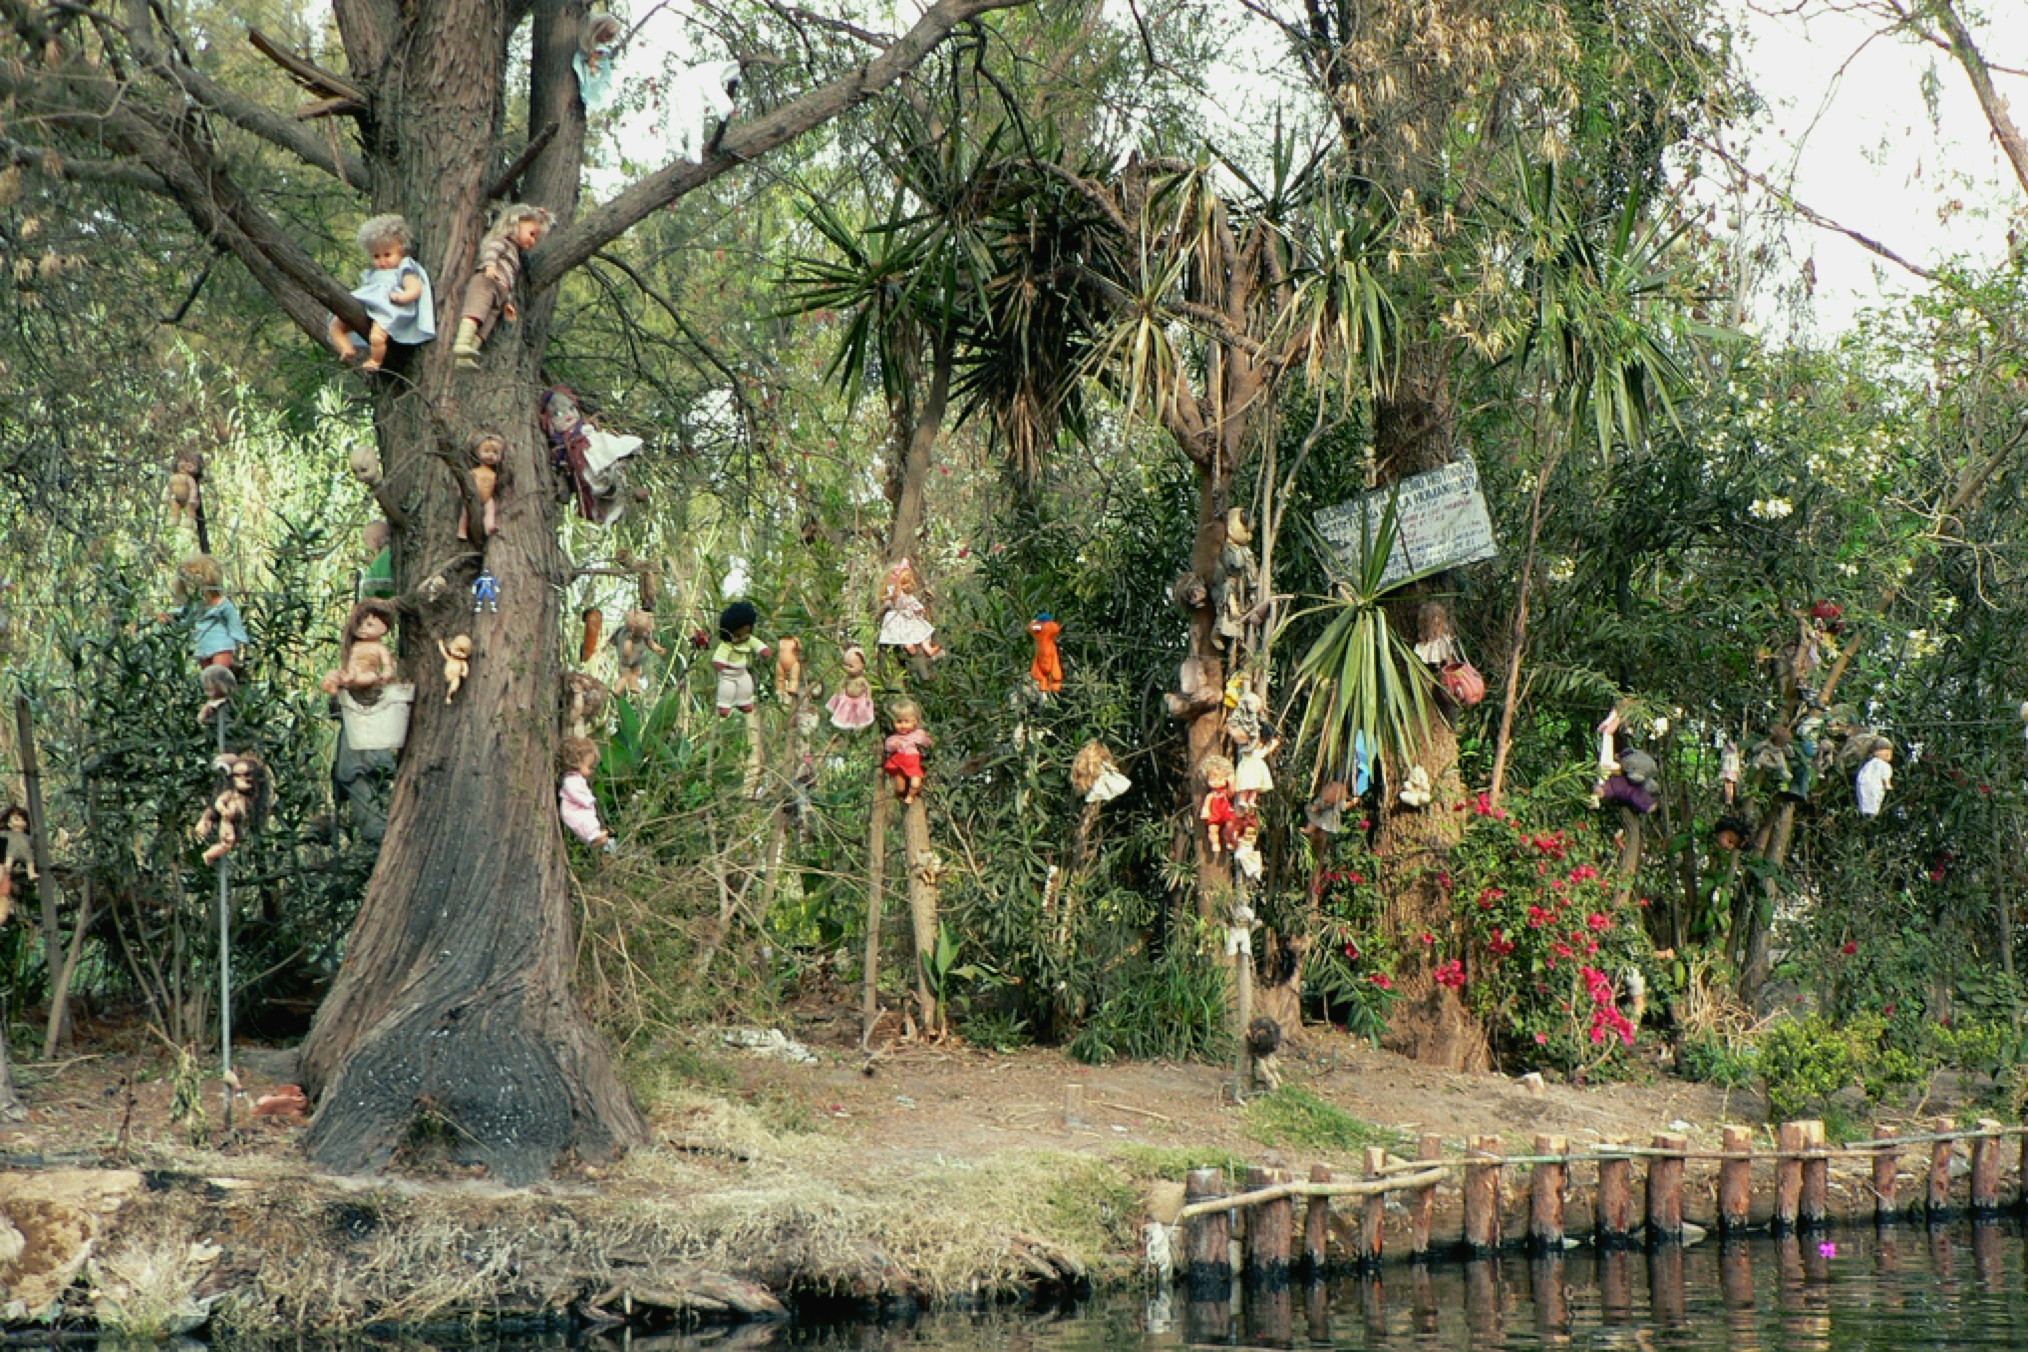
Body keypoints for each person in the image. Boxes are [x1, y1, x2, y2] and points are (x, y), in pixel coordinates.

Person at [328, 214, 435, 372]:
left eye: (387, 255)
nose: (382, 261)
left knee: (377, 336)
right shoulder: (373, 273)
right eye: (376, 256)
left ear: (401, 251)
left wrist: (403, 296)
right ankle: (346, 349)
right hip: (368, 308)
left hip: (390, 309)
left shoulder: (404, 267)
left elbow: (415, 288)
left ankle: (375, 360)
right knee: (336, 325)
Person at [451, 203, 552, 369]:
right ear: (516, 223)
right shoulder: (503, 242)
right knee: (476, 311)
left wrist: (508, 302)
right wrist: (490, 266)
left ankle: (470, 351)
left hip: (501, 291)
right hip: (487, 282)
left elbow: (510, 279)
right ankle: (462, 342)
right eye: (531, 234)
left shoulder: (515, 254)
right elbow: (491, 251)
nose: (533, 241)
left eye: (536, 238)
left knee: (487, 324)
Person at [558, 737, 616, 851]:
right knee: (584, 820)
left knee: (589, 818)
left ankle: (596, 835)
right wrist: (587, 799)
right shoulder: (571, 779)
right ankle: (593, 836)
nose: (591, 771)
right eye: (589, 767)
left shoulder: (578, 778)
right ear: (576, 762)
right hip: (573, 810)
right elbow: (574, 791)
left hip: (579, 807)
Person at [882, 700, 933, 804]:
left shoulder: (918, 734)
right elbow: (888, 746)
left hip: (913, 763)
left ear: (914, 722)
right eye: (899, 722)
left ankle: (911, 796)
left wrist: (928, 740)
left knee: (915, 784)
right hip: (899, 763)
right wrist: (894, 746)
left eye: (906, 721)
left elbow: (928, 742)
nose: (903, 725)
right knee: (900, 788)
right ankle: (900, 797)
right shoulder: (893, 738)